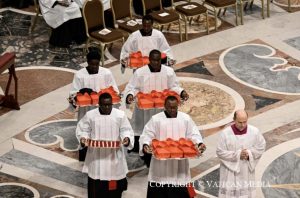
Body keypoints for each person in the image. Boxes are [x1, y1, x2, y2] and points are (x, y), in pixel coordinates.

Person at [123, 49, 188, 155]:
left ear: (160, 60)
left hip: (161, 108)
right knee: (142, 129)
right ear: (149, 60)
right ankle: (141, 147)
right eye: (153, 60)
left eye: (158, 60)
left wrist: (182, 92)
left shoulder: (168, 72)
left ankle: (160, 147)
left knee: (160, 131)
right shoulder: (140, 72)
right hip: (144, 109)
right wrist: (130, 95)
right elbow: (132, 87)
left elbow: (174, 86)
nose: (156, 63)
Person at [140, 95, 206, 198]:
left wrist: (199, 143)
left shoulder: (185, 119)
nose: (172, 110)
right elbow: (147, 134)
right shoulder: (156, 119)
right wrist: (145, 144)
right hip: (160, 167)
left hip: (180, 165)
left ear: (178, 106)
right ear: (164, 106)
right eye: (170, 107)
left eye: (174, 107)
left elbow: (194, 134)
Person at [76, 93, 134, 198]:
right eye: (104, 105)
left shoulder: (120, 115)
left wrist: (126, 138)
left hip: (114, 158)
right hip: (96, 159)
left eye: (109, 105)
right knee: (96, 192)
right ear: (99, 104)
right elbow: (84, 130)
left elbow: (126, 130)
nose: (107, 107)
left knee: (114, 193)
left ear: (112, 104)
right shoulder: (90, 115)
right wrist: (83, 138)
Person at [69, 50, 119, 161]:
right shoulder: (80, 75)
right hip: (86, 110)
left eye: (97, 64)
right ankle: (84, 150)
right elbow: (73, 94)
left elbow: (114, 90)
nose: (94, 67)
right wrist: (81, 92)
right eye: (92, 64)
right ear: (87, 62)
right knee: (86, 129)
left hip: (102, 110)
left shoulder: (106, 73)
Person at [216, 109, 266, 198]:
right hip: (230, 171)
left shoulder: (254, 131)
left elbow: (261, 146)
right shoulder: (225, 133)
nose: (243, 125)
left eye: (245, 122)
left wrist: (249, 153)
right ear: (234, 120)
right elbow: (220, 152)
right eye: (240, 122)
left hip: (246, 170)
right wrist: (238, 155)